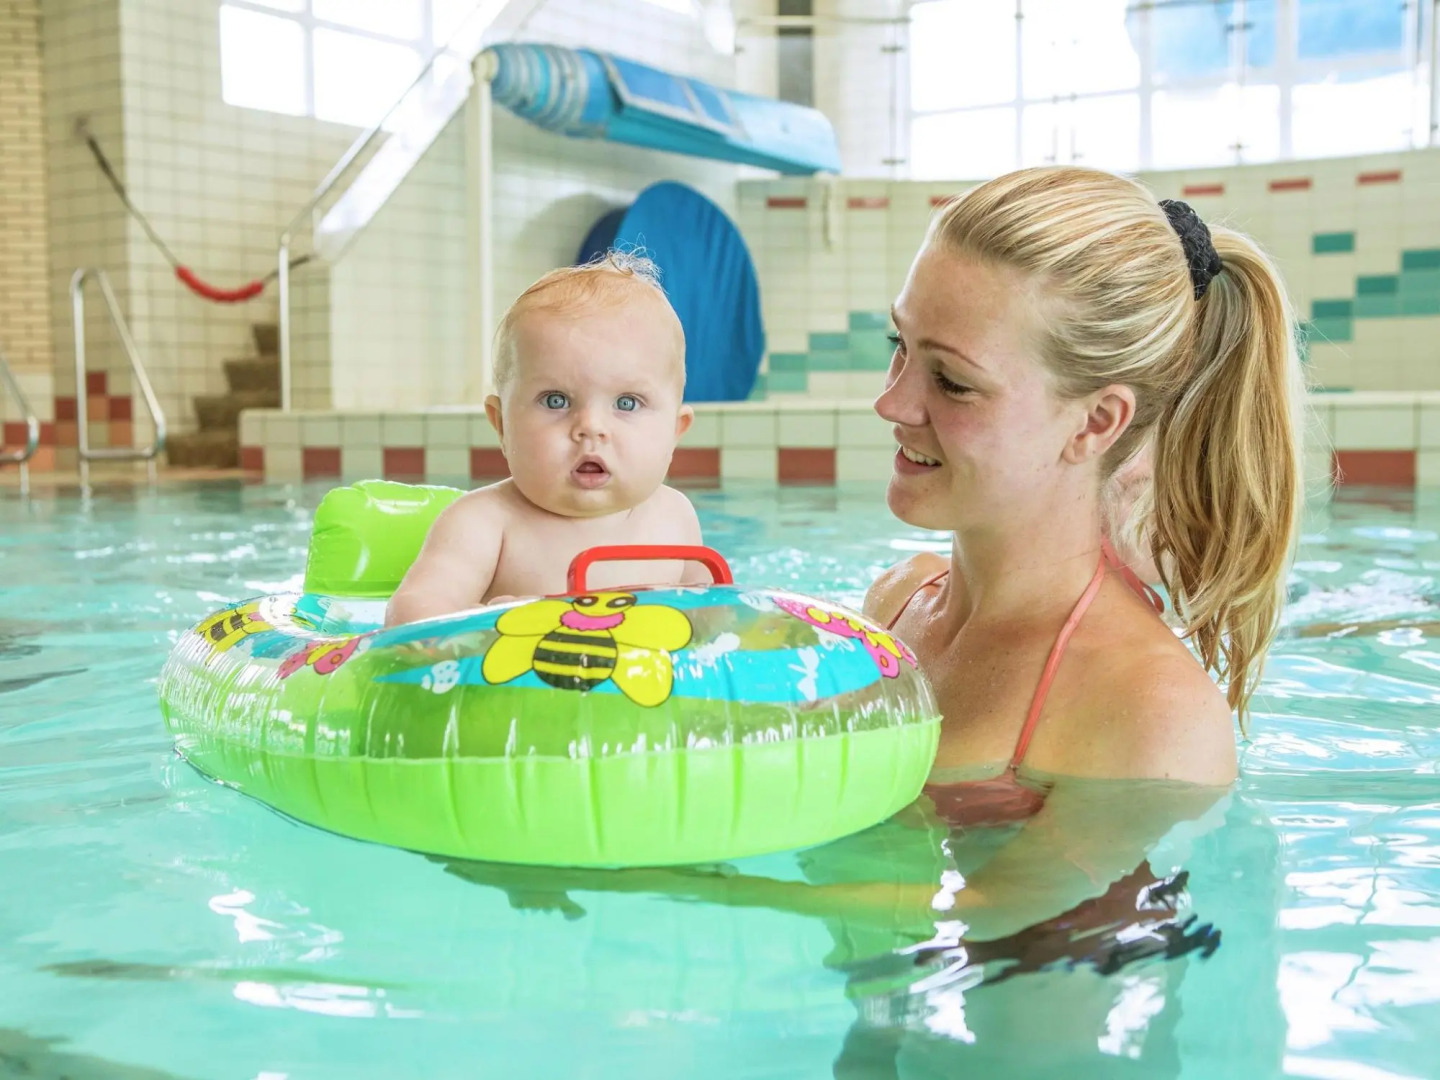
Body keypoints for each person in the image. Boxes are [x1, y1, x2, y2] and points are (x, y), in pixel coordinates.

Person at [866, 165, 1306, 800]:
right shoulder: (895, 605)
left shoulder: (1150, 717)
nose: (891, 403)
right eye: (900, 342)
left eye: (953, 382)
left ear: (1096, 422)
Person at [385, 252, 708, 628]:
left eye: (627, 403)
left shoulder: (675, 517)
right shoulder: (485, 523)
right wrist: (489, 623)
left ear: (675, 431)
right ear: (501, 424)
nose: (590, 427)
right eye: (556, 401)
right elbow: (410, 616)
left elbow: (713, 619)